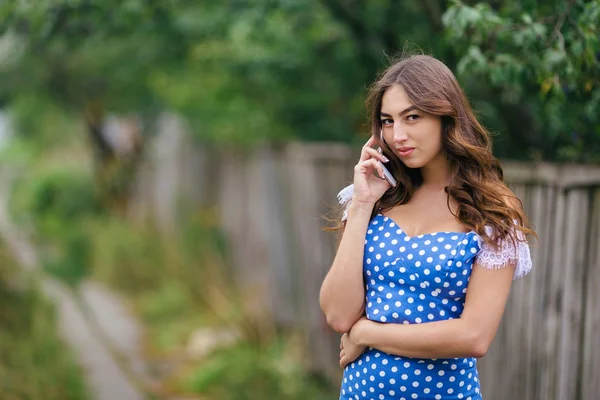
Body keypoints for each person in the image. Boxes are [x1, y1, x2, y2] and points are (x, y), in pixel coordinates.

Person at [319, 53, 537, 400]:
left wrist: (367, 334)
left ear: (446, 115)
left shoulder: (489, 211)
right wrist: (361, 206)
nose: (398, 134)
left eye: (413, 117)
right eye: (388, 121)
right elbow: (338, 314)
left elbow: (473, 336)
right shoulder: (376, 200)